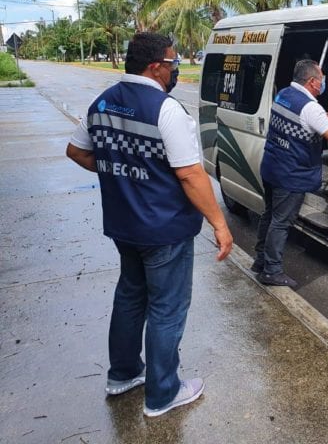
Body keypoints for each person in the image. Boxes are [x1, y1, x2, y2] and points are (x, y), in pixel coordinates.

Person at [65, 32, 233, 418]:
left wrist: (120, 174)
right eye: (174, 63)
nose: (176, 70)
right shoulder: (166, 109)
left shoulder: (102, 102)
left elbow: (77, 151)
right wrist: (219, 224)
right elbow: (192, 175)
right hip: (164, 230)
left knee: (130, 298)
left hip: (124, 225)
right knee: (167, 308)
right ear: (156, 66)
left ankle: (123, 374)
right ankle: (163, 393)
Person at [252, 59, 328, 287]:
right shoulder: (309, 106)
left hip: (272, 167)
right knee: (281, 222)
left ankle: (260, 261)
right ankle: (271, 271)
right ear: (313, 82)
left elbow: (303, 125)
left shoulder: (284, 94)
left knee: (270, 215)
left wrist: (327, 117)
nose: (323, 84)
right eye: (322, 80)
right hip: (290, 174)